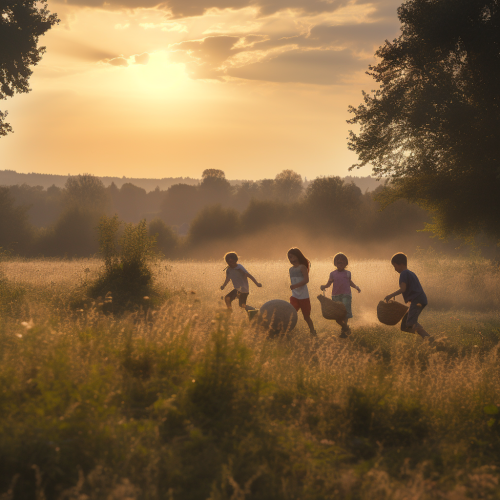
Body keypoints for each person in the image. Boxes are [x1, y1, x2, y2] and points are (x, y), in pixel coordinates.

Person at [384, 252, 434, 343]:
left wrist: (390, 295)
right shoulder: (410, 273)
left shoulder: (403, 274)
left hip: (417, 300)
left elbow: (403, 289)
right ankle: (425, 337)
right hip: (419, 299)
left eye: (395, 266)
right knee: (405, 325)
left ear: (401, 264)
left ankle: (429, 339)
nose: (394, 269)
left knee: (410, 323)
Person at [320, 252, 361, 338]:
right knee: (337, 314)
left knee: (345, 313)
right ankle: (345, 328)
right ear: (335, 263)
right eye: (338, 262)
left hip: (346, 295)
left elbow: (350, 282)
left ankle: (344, 331)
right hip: (335, 295)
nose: (340, 264)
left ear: (346, 263)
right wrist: (324, 286)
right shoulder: (332, 274)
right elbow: (329, 284)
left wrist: (356, 287)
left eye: (342, 262)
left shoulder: (348, 273)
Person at [288, 247, 316, 336]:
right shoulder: (291, 269)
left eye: (292, 257)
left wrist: (295, 286)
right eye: (289, 258)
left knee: (306, 317)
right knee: (291, 313)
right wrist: (292, 286)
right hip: (294, 296)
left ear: (297, 256)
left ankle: (313, 331)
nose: (290, 259)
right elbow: (294, 281)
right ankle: (287, 331)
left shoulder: (302, 267)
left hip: (304, 296)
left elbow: (306, 280)